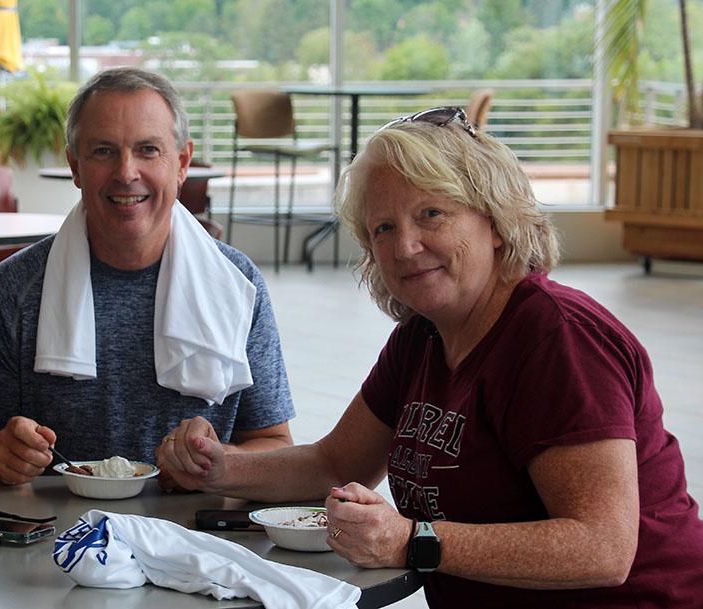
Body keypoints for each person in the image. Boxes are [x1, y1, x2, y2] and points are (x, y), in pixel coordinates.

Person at [158, 107, 703, 607]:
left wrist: (413, 538)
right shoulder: (424, 336)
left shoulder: (557, 338)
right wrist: (221, 466)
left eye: (431, 214)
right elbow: (335, 464)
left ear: (494, 220)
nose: (405, 247)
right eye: (384, 228)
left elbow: (602, 548)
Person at [0, 67, 294, 488]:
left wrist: (219, 462)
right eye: (104, 151)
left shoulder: (237, 283)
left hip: (194, 535)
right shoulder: (12, 290)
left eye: (147, 150)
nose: (126, 172)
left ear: (181, 163)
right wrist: (1, 453)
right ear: (75, 165)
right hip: (57, 536)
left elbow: (275, 444)